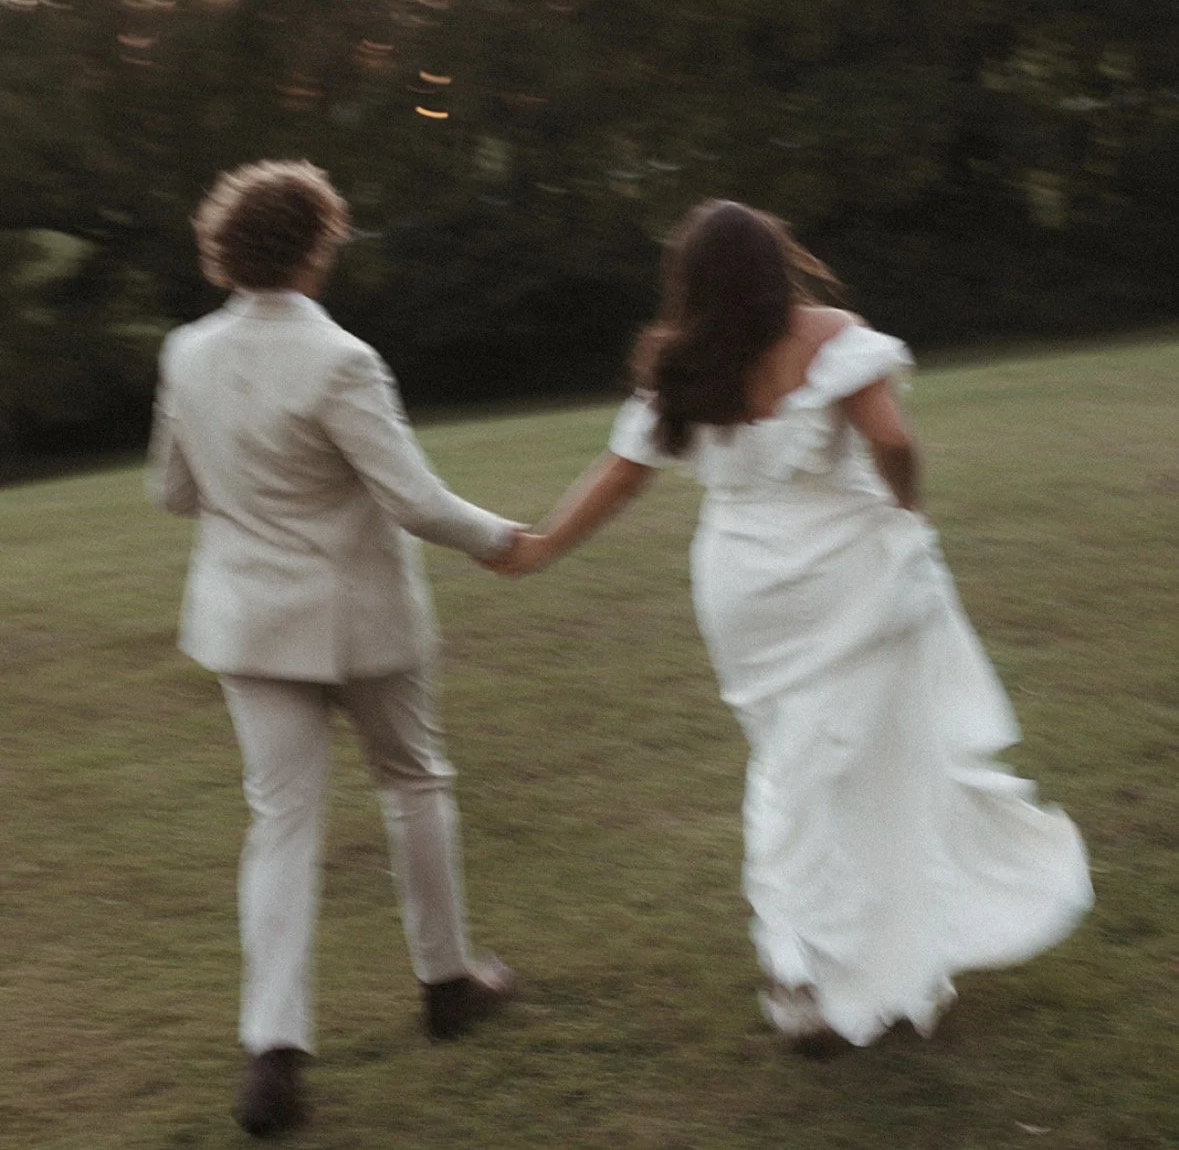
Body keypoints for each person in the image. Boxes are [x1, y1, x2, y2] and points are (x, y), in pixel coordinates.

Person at [492, 199, 1092, 1051]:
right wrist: (905, 508)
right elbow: (892, 440)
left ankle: (801, 963)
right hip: (843, 575)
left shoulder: (678, 361)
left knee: (787, 764)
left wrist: (545, 545)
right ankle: (842, 958)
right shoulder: (832, 336)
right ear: (778, 263)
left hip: (742, 587)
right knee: (863, 763)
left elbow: (622, 475)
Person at [149, 161, 524, 1137]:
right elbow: (414, 500)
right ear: (317, 248)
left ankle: (273, 1050)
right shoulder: (342, 359)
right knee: (413, 781)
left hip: (246, 620)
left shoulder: (186, 352)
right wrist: (502, 540)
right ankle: (447, 984)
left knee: (280, 820)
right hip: (360, 616)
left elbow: (172, 492)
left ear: (226, 249)